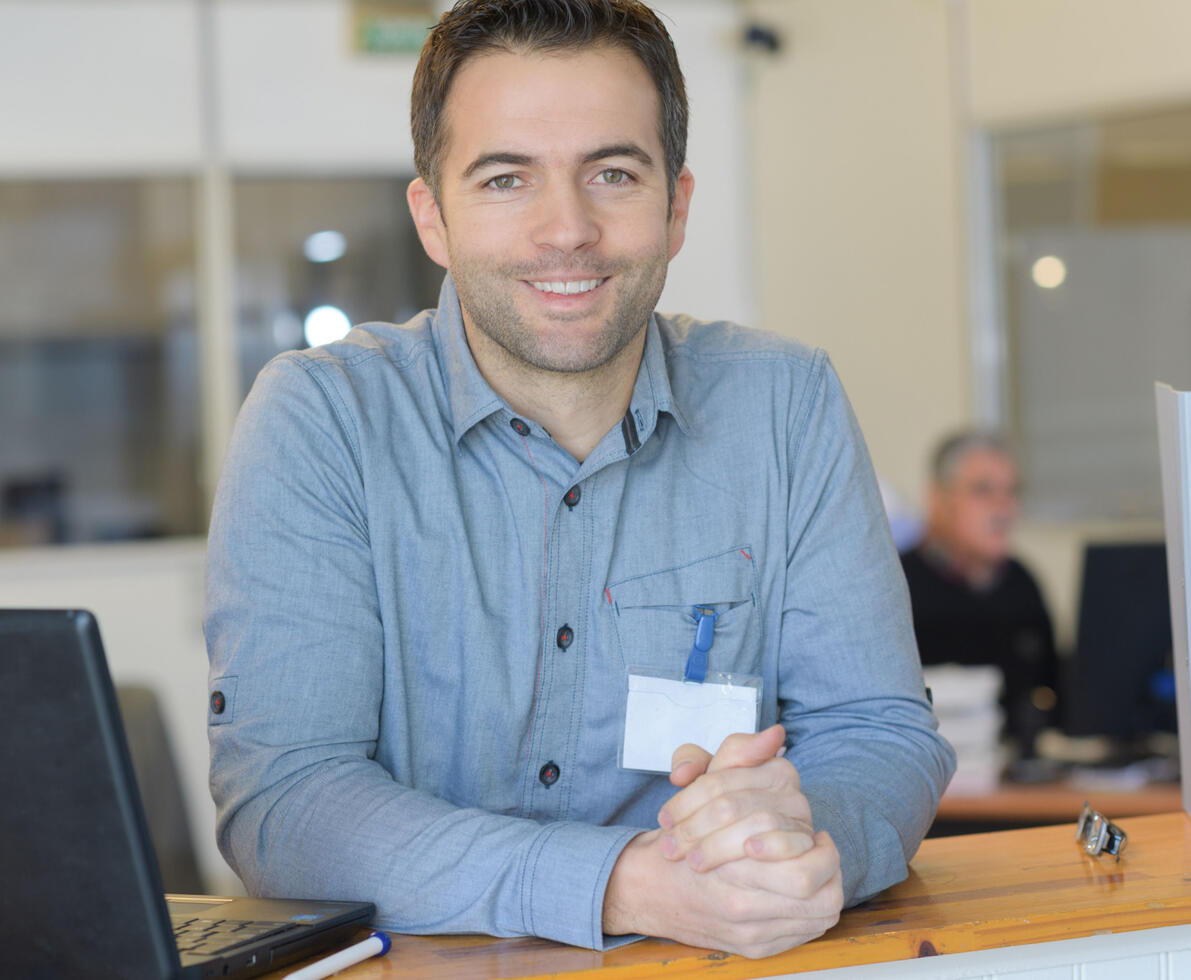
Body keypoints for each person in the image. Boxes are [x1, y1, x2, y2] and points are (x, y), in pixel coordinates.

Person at [205, 0, 954, 960]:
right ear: (432, 216)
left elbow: (878, 731)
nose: (568, 230)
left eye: (612, 172)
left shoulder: (785, 405)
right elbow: (287, 802)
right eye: (506, 178)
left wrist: (806, 844)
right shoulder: (323, 420)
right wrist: (623, 884)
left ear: (676, 207)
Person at [900, 431, 1059, 759]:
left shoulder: (1022, 583)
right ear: (938, 498)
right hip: (929, 778)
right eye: (983, 490)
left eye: (1012, 492)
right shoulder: (897, 585)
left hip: (1014, 781)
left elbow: (1055, 696)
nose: (1005, 508)